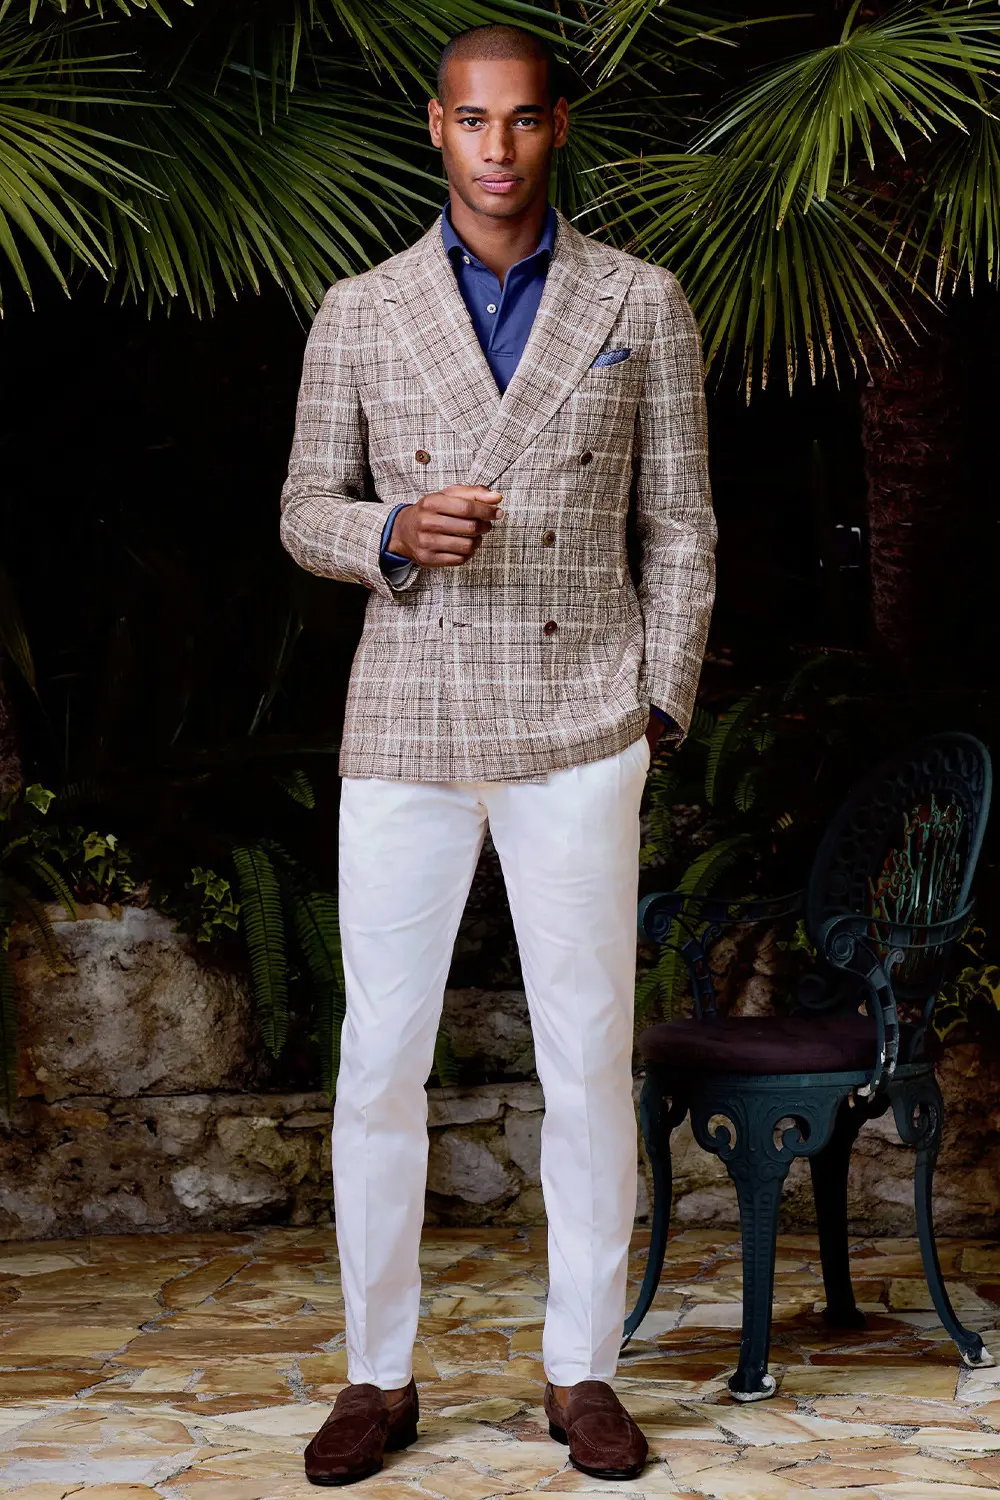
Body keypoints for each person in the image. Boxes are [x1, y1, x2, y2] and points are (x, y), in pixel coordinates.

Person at [279, 22, 717, 1487]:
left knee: (586, 1057)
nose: (498, 147)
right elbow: (302, 508)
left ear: (557, 128)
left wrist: (656, 709)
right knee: (378, 1060)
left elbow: (682, 523)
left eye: (523, 119)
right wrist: (393, 531)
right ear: (436, 128)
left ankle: (583, 1372)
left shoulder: (640, 299)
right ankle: (377, 1376)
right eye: (473, 120)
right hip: (408, 714)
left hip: (582, 717)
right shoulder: (360, 308)